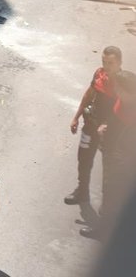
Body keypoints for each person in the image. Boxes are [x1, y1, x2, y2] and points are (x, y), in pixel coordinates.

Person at [80, 70, 136, 240]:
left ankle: (105, 231)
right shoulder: (123, 100)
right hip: (112, 152)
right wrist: (106, 125)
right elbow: (115, 115)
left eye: (118, 88)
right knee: (108, 191)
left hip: (122, 161)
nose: (116, 91)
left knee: (112, 194)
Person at [66, 46, 121, 211]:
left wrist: (108, 125)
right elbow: (88, 95)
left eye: (110, 63)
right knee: (83, 159)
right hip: (90, 126)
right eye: (104, 61)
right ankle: (82, 192)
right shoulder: (99, 73)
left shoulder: (123, 83)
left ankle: (108, 208)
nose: (106, 66)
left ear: (119, 63)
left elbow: (126, 110)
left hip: (109, 133)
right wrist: (76, 117)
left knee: (109, 171)